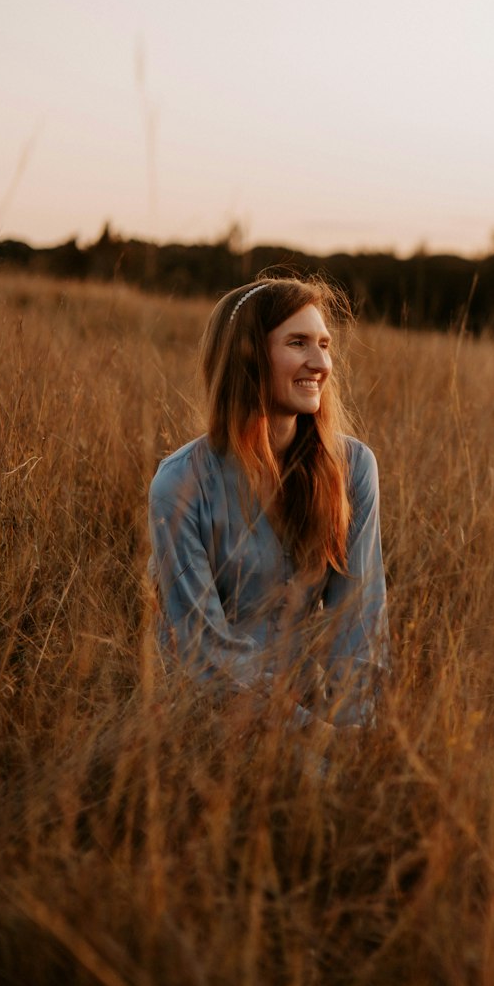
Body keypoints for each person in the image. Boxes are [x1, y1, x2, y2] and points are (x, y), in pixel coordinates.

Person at [147, 275, 388, 736]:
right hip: (208, 719)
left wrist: (355, 733)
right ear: (248, 356)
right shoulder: (179, 484)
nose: (320, 363)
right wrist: (313, 734)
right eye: (298, 343)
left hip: (313, 709)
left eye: (324, 343)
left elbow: (358, 620)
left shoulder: (352, 466)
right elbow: (205, 657)